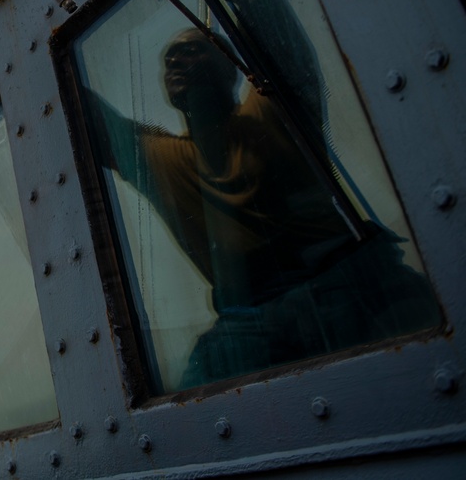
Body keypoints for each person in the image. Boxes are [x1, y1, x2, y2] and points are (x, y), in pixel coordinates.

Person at [87, 26, 441, 389]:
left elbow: (278, 38)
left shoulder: (270, 114)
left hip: (350, 284)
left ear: (230, 69)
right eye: (169, 59)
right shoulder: (164, 160)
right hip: (249, 319)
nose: (174, 60)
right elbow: (86, 114)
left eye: (192, 51)